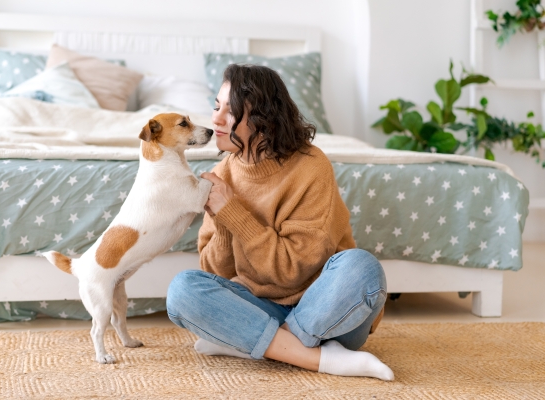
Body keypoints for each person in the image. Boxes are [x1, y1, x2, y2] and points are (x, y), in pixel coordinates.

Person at [166, 64, 393, 381]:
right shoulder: (224, 175)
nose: (215, 119)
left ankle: (254, 342)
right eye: (216, 107)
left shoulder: (311, 166)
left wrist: (233, 213)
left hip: (329, 309)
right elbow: (216, 272)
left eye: (229, 111)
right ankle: (322, 358)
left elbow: (293, 270)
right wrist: (222, 222)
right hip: (261, 306)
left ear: (263, 119)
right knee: (182, 290)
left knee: (362, 267)